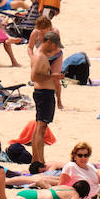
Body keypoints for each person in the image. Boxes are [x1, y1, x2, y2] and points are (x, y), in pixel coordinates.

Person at [29, 31, 63, 168]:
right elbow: (34, 77)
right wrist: (52, 77)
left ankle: (36, 160)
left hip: (43, 93)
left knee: (39, 126)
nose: (55, 49)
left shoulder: (40, 55)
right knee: (41, 127)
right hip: (43, 93)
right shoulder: (40, 56)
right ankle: (40, 161)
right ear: (48, 42)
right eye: (54, 46)